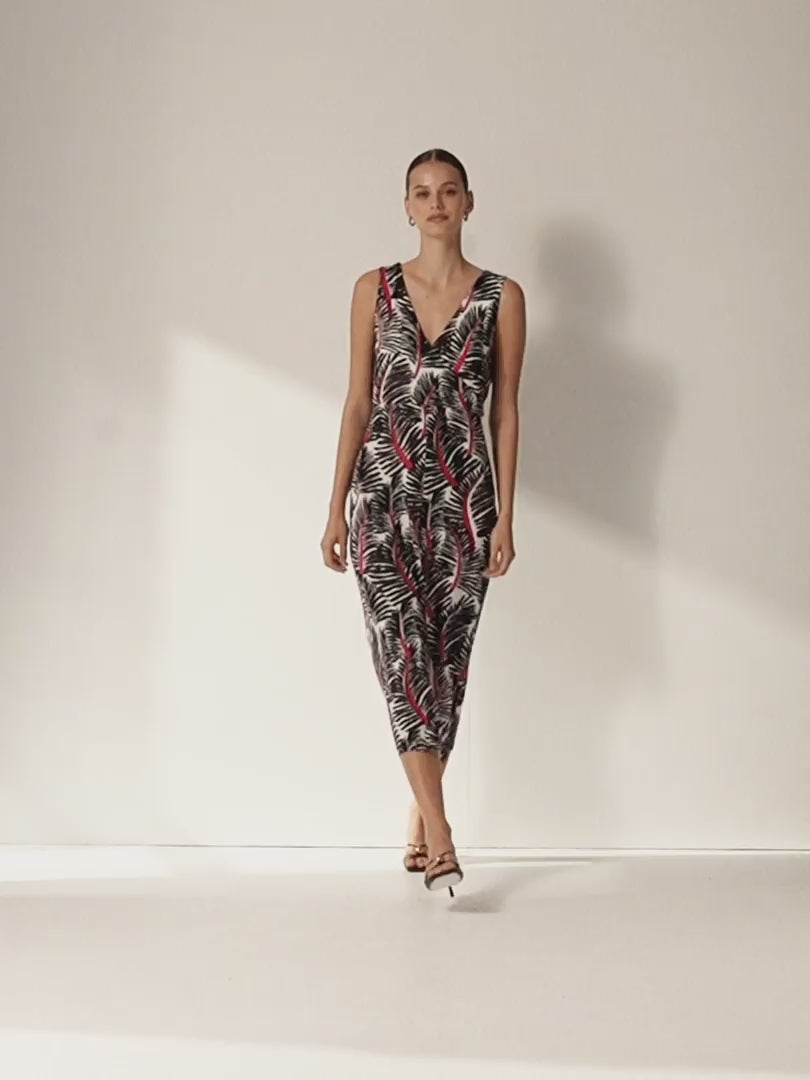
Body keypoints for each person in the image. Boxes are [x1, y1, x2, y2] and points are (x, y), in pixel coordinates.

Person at [321, 147, 525, 895]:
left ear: (469, 202)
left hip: (463, 505)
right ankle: (441, 834)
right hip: (382, 498)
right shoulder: (373, 290)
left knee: (445, 667)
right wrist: (334, 508)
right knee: (402, 659)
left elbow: (505, 411)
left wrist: (504, 517)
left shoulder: (502, 297)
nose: (435, 203)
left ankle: (418, 813)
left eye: (448, 191)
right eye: (421, 192)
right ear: (406, 208)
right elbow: (357, 402)